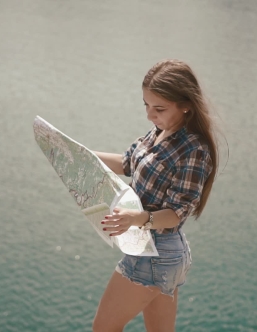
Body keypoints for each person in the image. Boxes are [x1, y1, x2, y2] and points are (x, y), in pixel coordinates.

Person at [92, 59, 221, 332]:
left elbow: (176, 213)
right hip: (163, 255)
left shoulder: (194, 150)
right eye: (146, 105)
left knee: (103, 328)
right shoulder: (161, 131)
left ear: (186, 105)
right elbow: (128, 163)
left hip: (156, 254)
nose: (150, 115)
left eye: (159, 108)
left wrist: (136, 218)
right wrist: (81, 155)